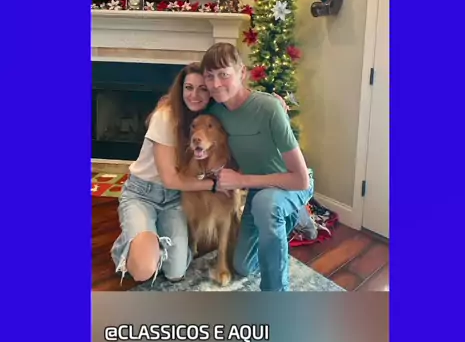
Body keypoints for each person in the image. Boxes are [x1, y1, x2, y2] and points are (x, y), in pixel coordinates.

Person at [200, 42, 314, 292]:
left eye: (224, 74)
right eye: (209, 76)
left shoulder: (269, 108)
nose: (216, 84)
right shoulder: (216, 112)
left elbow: (301, 179)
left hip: (291, 184)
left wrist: (242, 181)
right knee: (242, 266)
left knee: (266, 204)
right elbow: (186, 101)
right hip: (259, 189)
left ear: (242, 72)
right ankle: (292, 217)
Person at [110, 63, 231, 286]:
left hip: (175, 198)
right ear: (180, 89)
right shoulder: (165, 116)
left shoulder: (204, 119)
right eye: (189, 87)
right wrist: (214, 185)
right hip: (143, 194)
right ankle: (126, 245)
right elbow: (170, 179)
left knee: (175, 272)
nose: (194, 95)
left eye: (203, 89)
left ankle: (149, 237)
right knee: (143, 270)